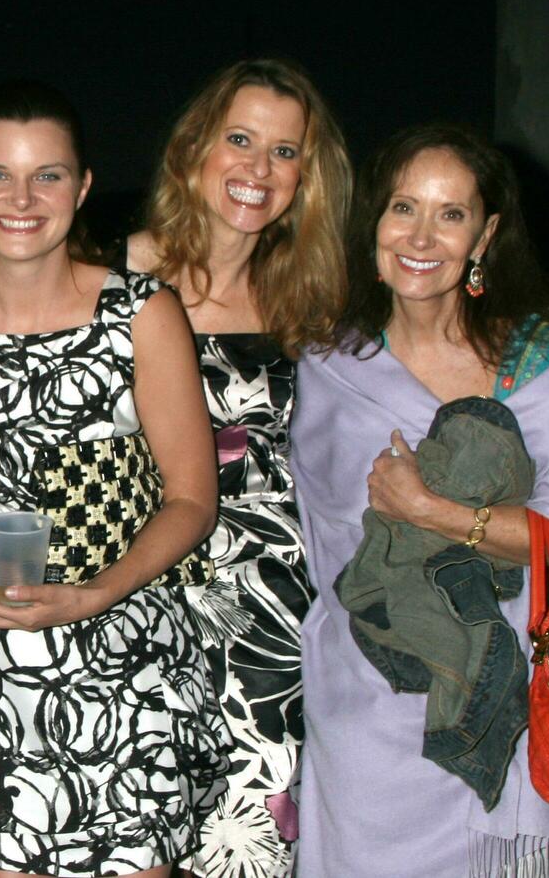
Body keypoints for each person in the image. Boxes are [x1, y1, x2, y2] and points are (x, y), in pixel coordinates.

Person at [0, 81, 232, 877]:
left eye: (47, 174)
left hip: (123, 652)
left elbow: (191, 499)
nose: (21, 197)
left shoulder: (140, 314)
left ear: (80, 188)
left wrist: (96, 593)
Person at [290, 124, 549, 876]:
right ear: (372, 220)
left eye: (451, 213)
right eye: (403, 207)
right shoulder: (327, 362)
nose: (421, 236)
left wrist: (431, 512)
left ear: (486, 234)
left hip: (504, 704)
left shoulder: (534, 362)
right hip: (361, 705)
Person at [123, 59, 350, 878]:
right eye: (240, 140)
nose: (258, 170)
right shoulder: (112, 279)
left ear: (306, 177)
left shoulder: (315, 302)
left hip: (272, 618)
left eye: (285, 153)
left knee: (246, 848)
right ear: (194, 150)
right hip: (136, 598)